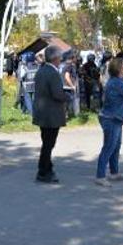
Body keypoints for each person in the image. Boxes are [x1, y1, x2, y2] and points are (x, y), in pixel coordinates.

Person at [94, 58, 123, 187]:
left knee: (116, 145)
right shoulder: (118, 83)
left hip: (115, 118)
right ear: (119, 69)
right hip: (112, 118)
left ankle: (114, 172)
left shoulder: (115, 81)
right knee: (109, 146)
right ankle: (100, 176)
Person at [33, 45, 69, 184]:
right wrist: (67, 96)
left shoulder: (41, 70)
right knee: (48, 144)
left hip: (43, 112)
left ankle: (47, 167)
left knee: (46, 142)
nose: (61, 59)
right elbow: (57, 94)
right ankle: (43, 171)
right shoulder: (52, 72)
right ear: (55, 58)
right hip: (51, 114)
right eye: (59, 57)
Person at [60, 51, 80, 118]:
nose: (76, 59)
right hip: (67, 87)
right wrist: (72, 86)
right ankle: (64, 116)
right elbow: (67, 76)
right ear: (72, 58)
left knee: (66, 103)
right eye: (75, 57)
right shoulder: (69, 66)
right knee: (66, 103)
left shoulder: (64, 64)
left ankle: (65, 116)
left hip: (64, 86)